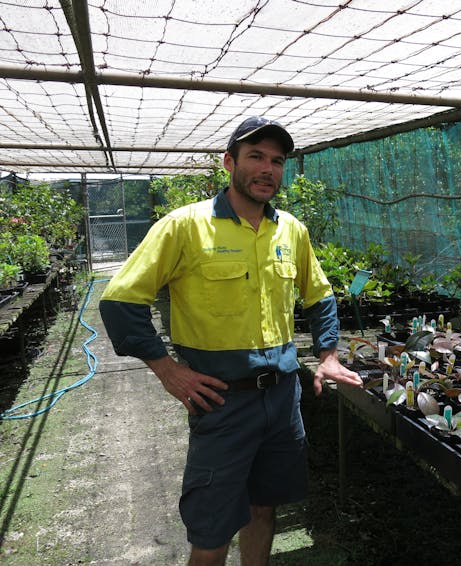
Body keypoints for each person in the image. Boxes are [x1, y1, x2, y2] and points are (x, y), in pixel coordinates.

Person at [98, 116, 363, 566]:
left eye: (276, 161)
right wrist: (168, 371)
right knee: (213, 524)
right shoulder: (185, 226)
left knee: (264, 506)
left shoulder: (291, 231)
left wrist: (329, 355)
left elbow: (320, 295)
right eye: (255, 156)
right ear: (229, 162)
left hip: (282, 399)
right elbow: (120, 301)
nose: (267, 169)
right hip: (222, 401)